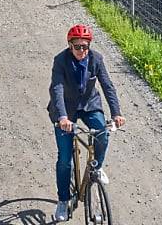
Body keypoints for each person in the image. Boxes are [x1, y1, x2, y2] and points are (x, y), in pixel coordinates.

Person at [47, 23, 126, 222]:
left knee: (102, 133)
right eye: (77, 46)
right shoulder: (60, 61)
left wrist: (116, 113)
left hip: (90, 104)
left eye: (85, 46)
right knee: (65, 159)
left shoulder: (96, 59)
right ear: (70, 45)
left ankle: (97, 168)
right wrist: (63, 118)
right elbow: (56, 89)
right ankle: (63, 200)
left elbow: (107, 85)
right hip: (65, 108)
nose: (82, 50)